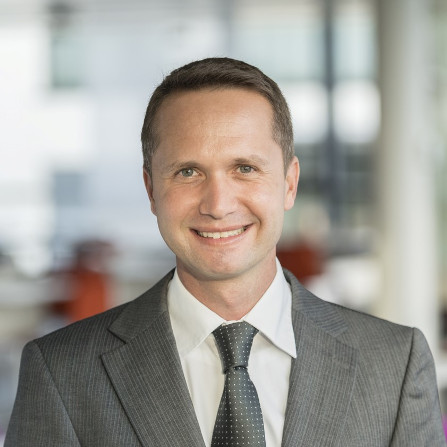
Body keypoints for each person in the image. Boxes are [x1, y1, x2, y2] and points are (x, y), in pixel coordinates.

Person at [5, 58, 445, 446]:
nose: (218, 205)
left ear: (289, 183)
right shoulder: (61, 372)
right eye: (188, 171)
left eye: (245, 168)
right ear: (151, 190)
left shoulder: (394, 364)